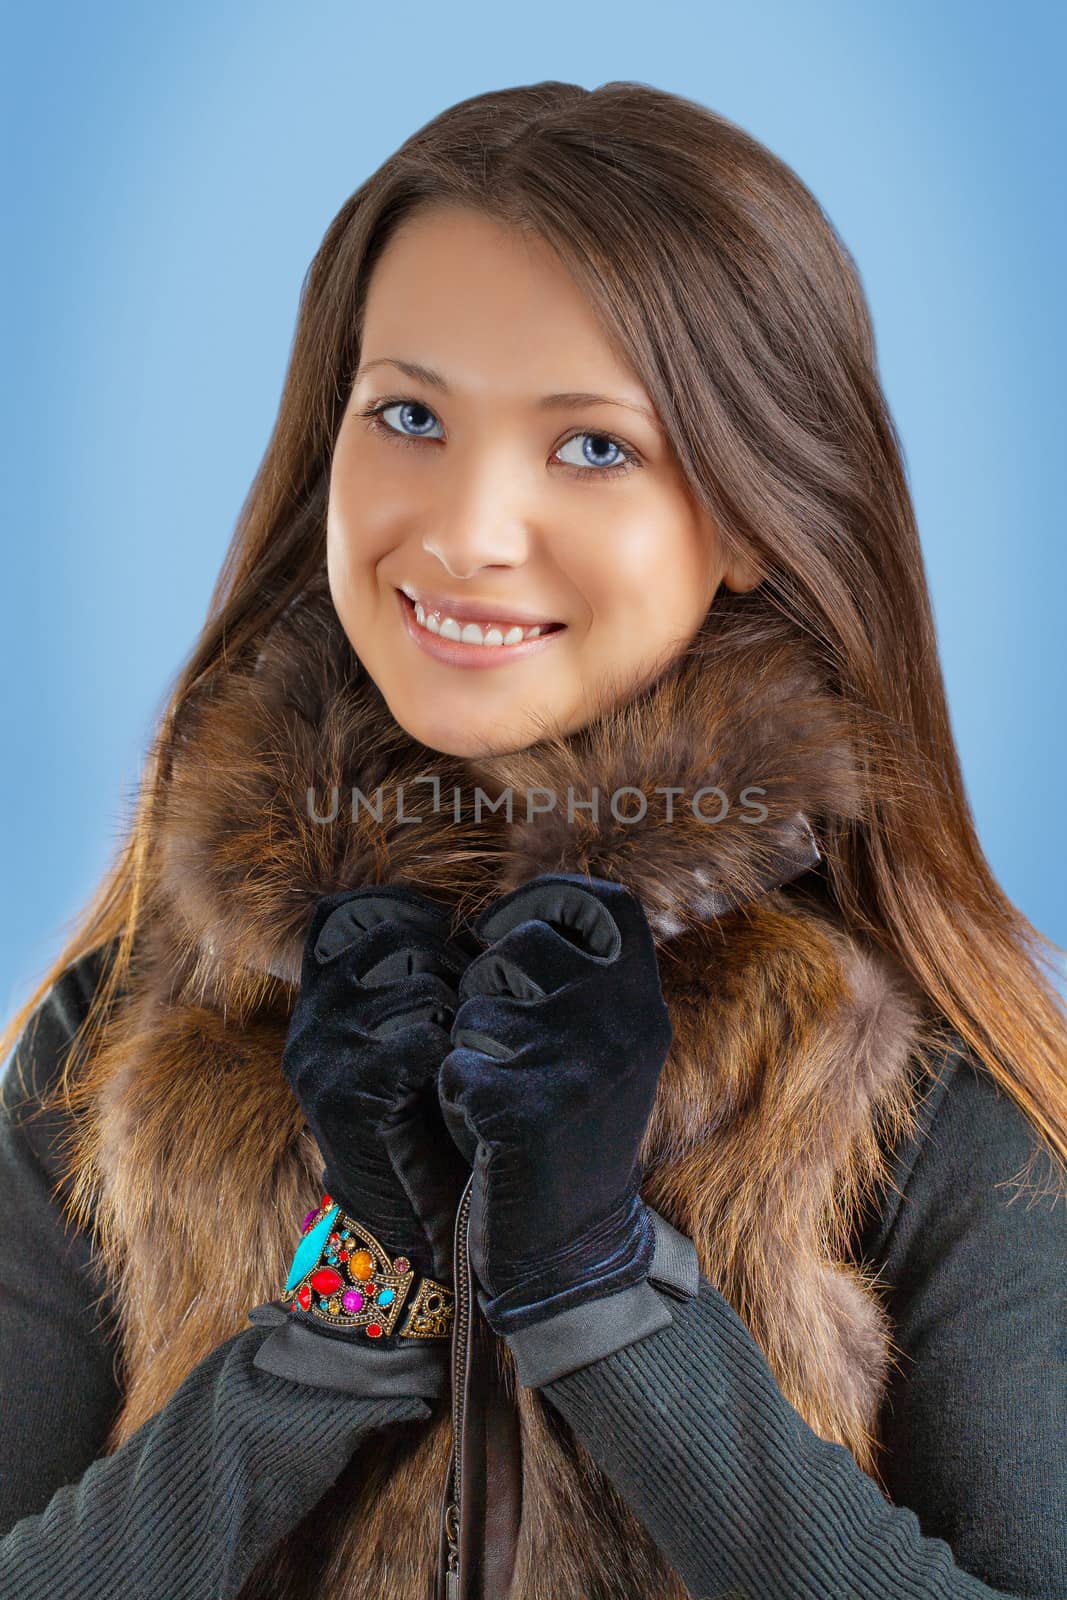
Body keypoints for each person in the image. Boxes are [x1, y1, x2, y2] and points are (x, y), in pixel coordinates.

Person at [0, 78, 1064, 1600]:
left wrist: (604, 1293)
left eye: (593, 447)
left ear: (759, 513)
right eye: (411, 417)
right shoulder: (111, 1034)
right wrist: (349, 1312)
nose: (466, 528)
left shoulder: (939, 1075)